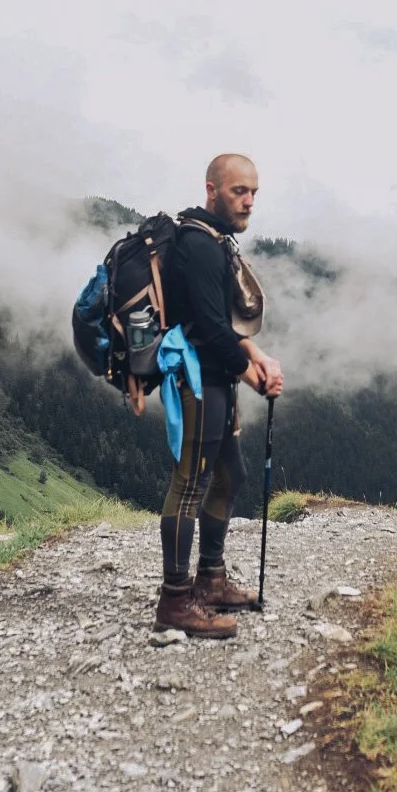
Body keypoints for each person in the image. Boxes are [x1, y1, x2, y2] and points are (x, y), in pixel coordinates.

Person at [154, 153, 285, 638]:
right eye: (238, 191)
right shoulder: (201, 246)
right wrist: (254, 375)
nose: (248, 201)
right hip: (199, 381)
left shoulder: (213, 241)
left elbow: (222, 325)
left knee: (231, 474)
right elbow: (208, 330)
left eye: (253, 192)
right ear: (212, 190)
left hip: (216, 379)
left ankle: (209, 580)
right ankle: (175, 602)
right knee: (189, 485)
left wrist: (256, 358)